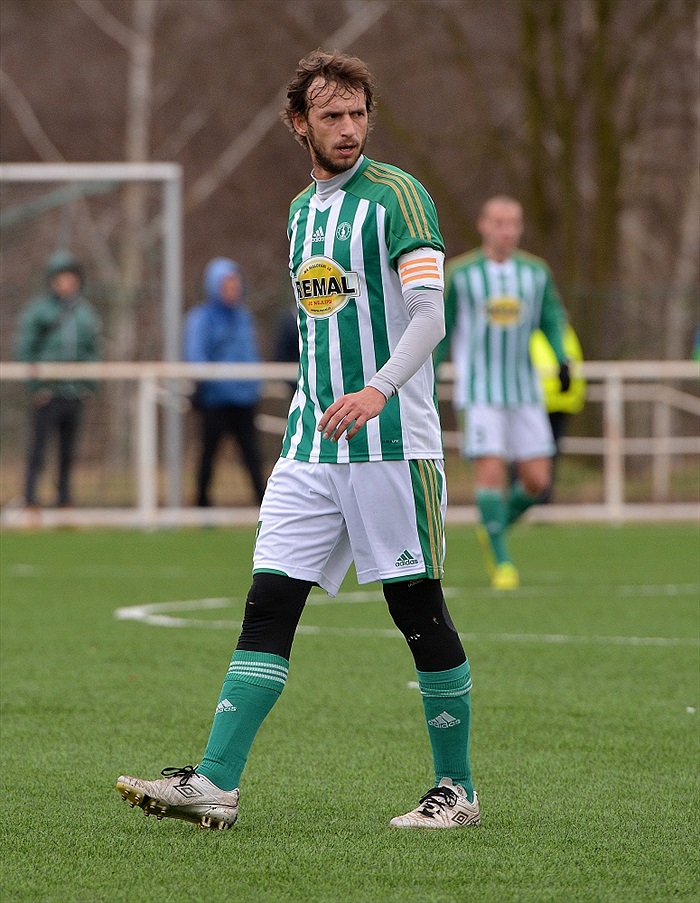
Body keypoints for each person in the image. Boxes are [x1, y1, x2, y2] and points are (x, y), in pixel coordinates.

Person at [116, 50, 480, 832]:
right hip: (312, 447)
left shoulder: (398, 198)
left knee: (416, 607)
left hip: (391, 440)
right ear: (298, 125)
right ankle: (215, 781)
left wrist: (377, 388)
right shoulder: (299, 212)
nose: (348, 129)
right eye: (331, 116)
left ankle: (458, 792)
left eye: (357, 115)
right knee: (269, 597)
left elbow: (429, 316)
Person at [439, 196, 569, 590]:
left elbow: (551, 317)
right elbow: (439, 329)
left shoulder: (535, 272)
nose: (507, 230)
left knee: (536, 481)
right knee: (491, 470)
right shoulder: (460, 273)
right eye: (499, 222)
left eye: (514, 222)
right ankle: (502, 561)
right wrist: (427, 379)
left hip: (525, 391)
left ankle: (492, 527)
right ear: (483, 225)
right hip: (480, 392)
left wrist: (563, 359)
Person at [14, 250, 101, 508]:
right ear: (52, 280)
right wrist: (36, 386)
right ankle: (30, 499)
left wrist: (89, 385)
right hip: (47, 393)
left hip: (74, 392)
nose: (66, 283)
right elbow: (24, 349)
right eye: (61, 277)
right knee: (38, 450)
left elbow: (92, 351)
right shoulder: (38, 312)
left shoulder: (85, 313)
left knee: (68, 452)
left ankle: (64, 500)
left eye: (70, 277)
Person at [184, 258, 266, 506]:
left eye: (236, 283)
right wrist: (207, 382)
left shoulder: (244, 317)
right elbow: (195, 354)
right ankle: (201, 505)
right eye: (227, 283)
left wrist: (253, 385)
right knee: (208, 455)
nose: (233, 288)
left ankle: (264, 507)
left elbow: (250, 354)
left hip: (244, 399)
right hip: (214, 400)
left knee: (253, 456)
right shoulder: (202, 318)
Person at [529, 322, 586, 502]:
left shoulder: (561, 330)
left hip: (555, 403)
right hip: (534, 403)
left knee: (545, 456)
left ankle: (542, 500)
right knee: (528, 456)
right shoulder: (534, 327)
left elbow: (574, 365)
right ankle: (532, 500)